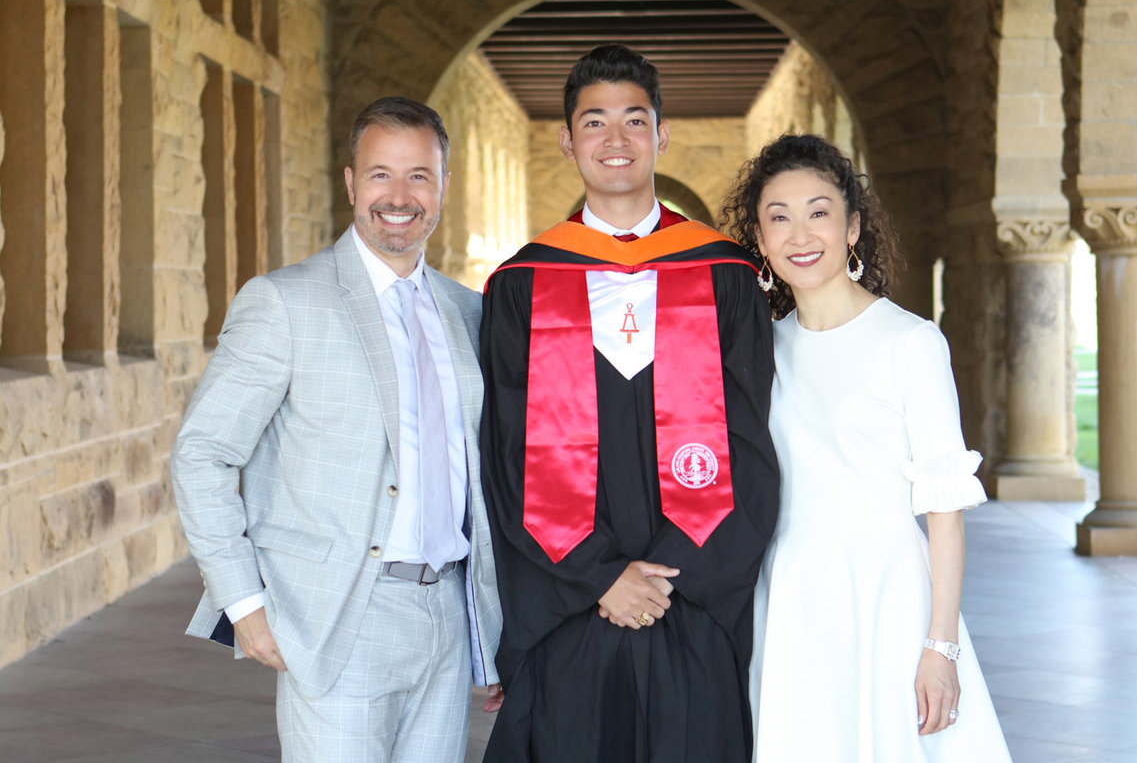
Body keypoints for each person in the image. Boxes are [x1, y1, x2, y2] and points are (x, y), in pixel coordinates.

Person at [172, 97, 502, 763]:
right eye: (381, 174)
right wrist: (242, 601)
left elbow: (487, 474)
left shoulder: (472, 313)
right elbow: (202, 454)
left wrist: (491, 626)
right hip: (336, 613)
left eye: (420, 175)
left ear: (442, 187)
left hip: (446, 611)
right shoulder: (286, 301)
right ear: (352, 183)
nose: (400, 195)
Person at [477, 44, 779, 763]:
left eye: (634, 120)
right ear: (567, 139)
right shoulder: (523, 283)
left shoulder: (726, 276)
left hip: (693, 591)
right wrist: (599, 576)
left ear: (661, 135)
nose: (615, 140)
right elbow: (507, 451)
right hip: (573, 595)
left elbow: (752, 442)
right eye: (594, 122)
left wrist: (669, 581)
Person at [724, 134, 1011, 761]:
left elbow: (943, 513)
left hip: (886, 594)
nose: (800, 234)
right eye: (779, 218)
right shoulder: (759, 350)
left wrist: (941, 647)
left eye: (819, 213)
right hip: (790, 592)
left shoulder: (910, 342)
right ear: (761, 239)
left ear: (853, 227)